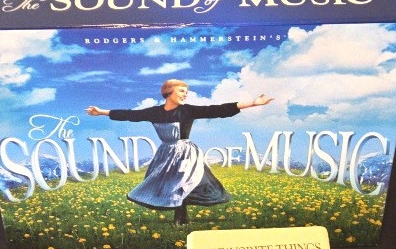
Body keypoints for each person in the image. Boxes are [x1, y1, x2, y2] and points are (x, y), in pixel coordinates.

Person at [86, 79, 273, 225]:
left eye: (186, 92)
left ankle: (180, 217)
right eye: (181, 91)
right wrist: (102, 112)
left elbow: (217, 109)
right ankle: (180, 215)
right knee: (169, 184)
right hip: (165, 153)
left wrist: (253, 103)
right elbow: (130, 115)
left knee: (181, 182)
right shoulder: (154, 112)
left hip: (185, 153)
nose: (185, 95)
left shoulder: (188, 111)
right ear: (168, 92)